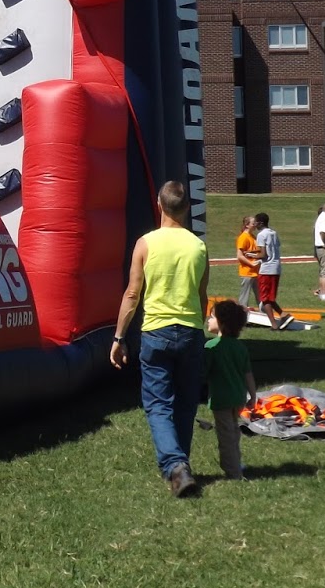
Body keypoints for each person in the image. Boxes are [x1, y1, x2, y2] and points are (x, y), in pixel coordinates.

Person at [109, 181, 210, 498]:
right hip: (191, 330)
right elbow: (202, 296)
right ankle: (181, 464)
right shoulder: (198, 247)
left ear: (158, 204)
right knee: (186, 402)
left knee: (157, 403)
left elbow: (132, 293)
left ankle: (176, 465)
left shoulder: (145, 244)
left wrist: (119, 336)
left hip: (156, 332)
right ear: (187, 207)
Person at [205, 300, 257, 480]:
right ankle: (237, 462)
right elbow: (248, 373)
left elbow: (203, 372)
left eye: (212, 317)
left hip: (221, 399)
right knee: (233, 431)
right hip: (238, 398)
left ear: (222, 323)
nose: (208, 320)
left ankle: (233, 471)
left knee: (226, 435)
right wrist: (253, 395)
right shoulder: (240, 347)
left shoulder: (212, 347)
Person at [253, 212, 287, 329]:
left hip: (266, 269)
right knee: (271, 297)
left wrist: (253, 256)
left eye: (256, 222)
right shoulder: (273, 233)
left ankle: (274, 324)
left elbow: (264, 254)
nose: (255, 225)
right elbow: (274, 248)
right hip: (276, 268)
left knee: (265, 299)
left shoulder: (261, 235)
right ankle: (283, 315)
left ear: (261, 223)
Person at [234, 215, 261, 309]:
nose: (255, 225)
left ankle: (264, 313)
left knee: (260, 296)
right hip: (247, 272)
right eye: (253, 223)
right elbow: (240, 256)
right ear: (247, 225)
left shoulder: (252, 236)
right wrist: (251, 264)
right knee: (244, 298)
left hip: (255, 271)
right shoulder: (243, 237)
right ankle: (241, 314)